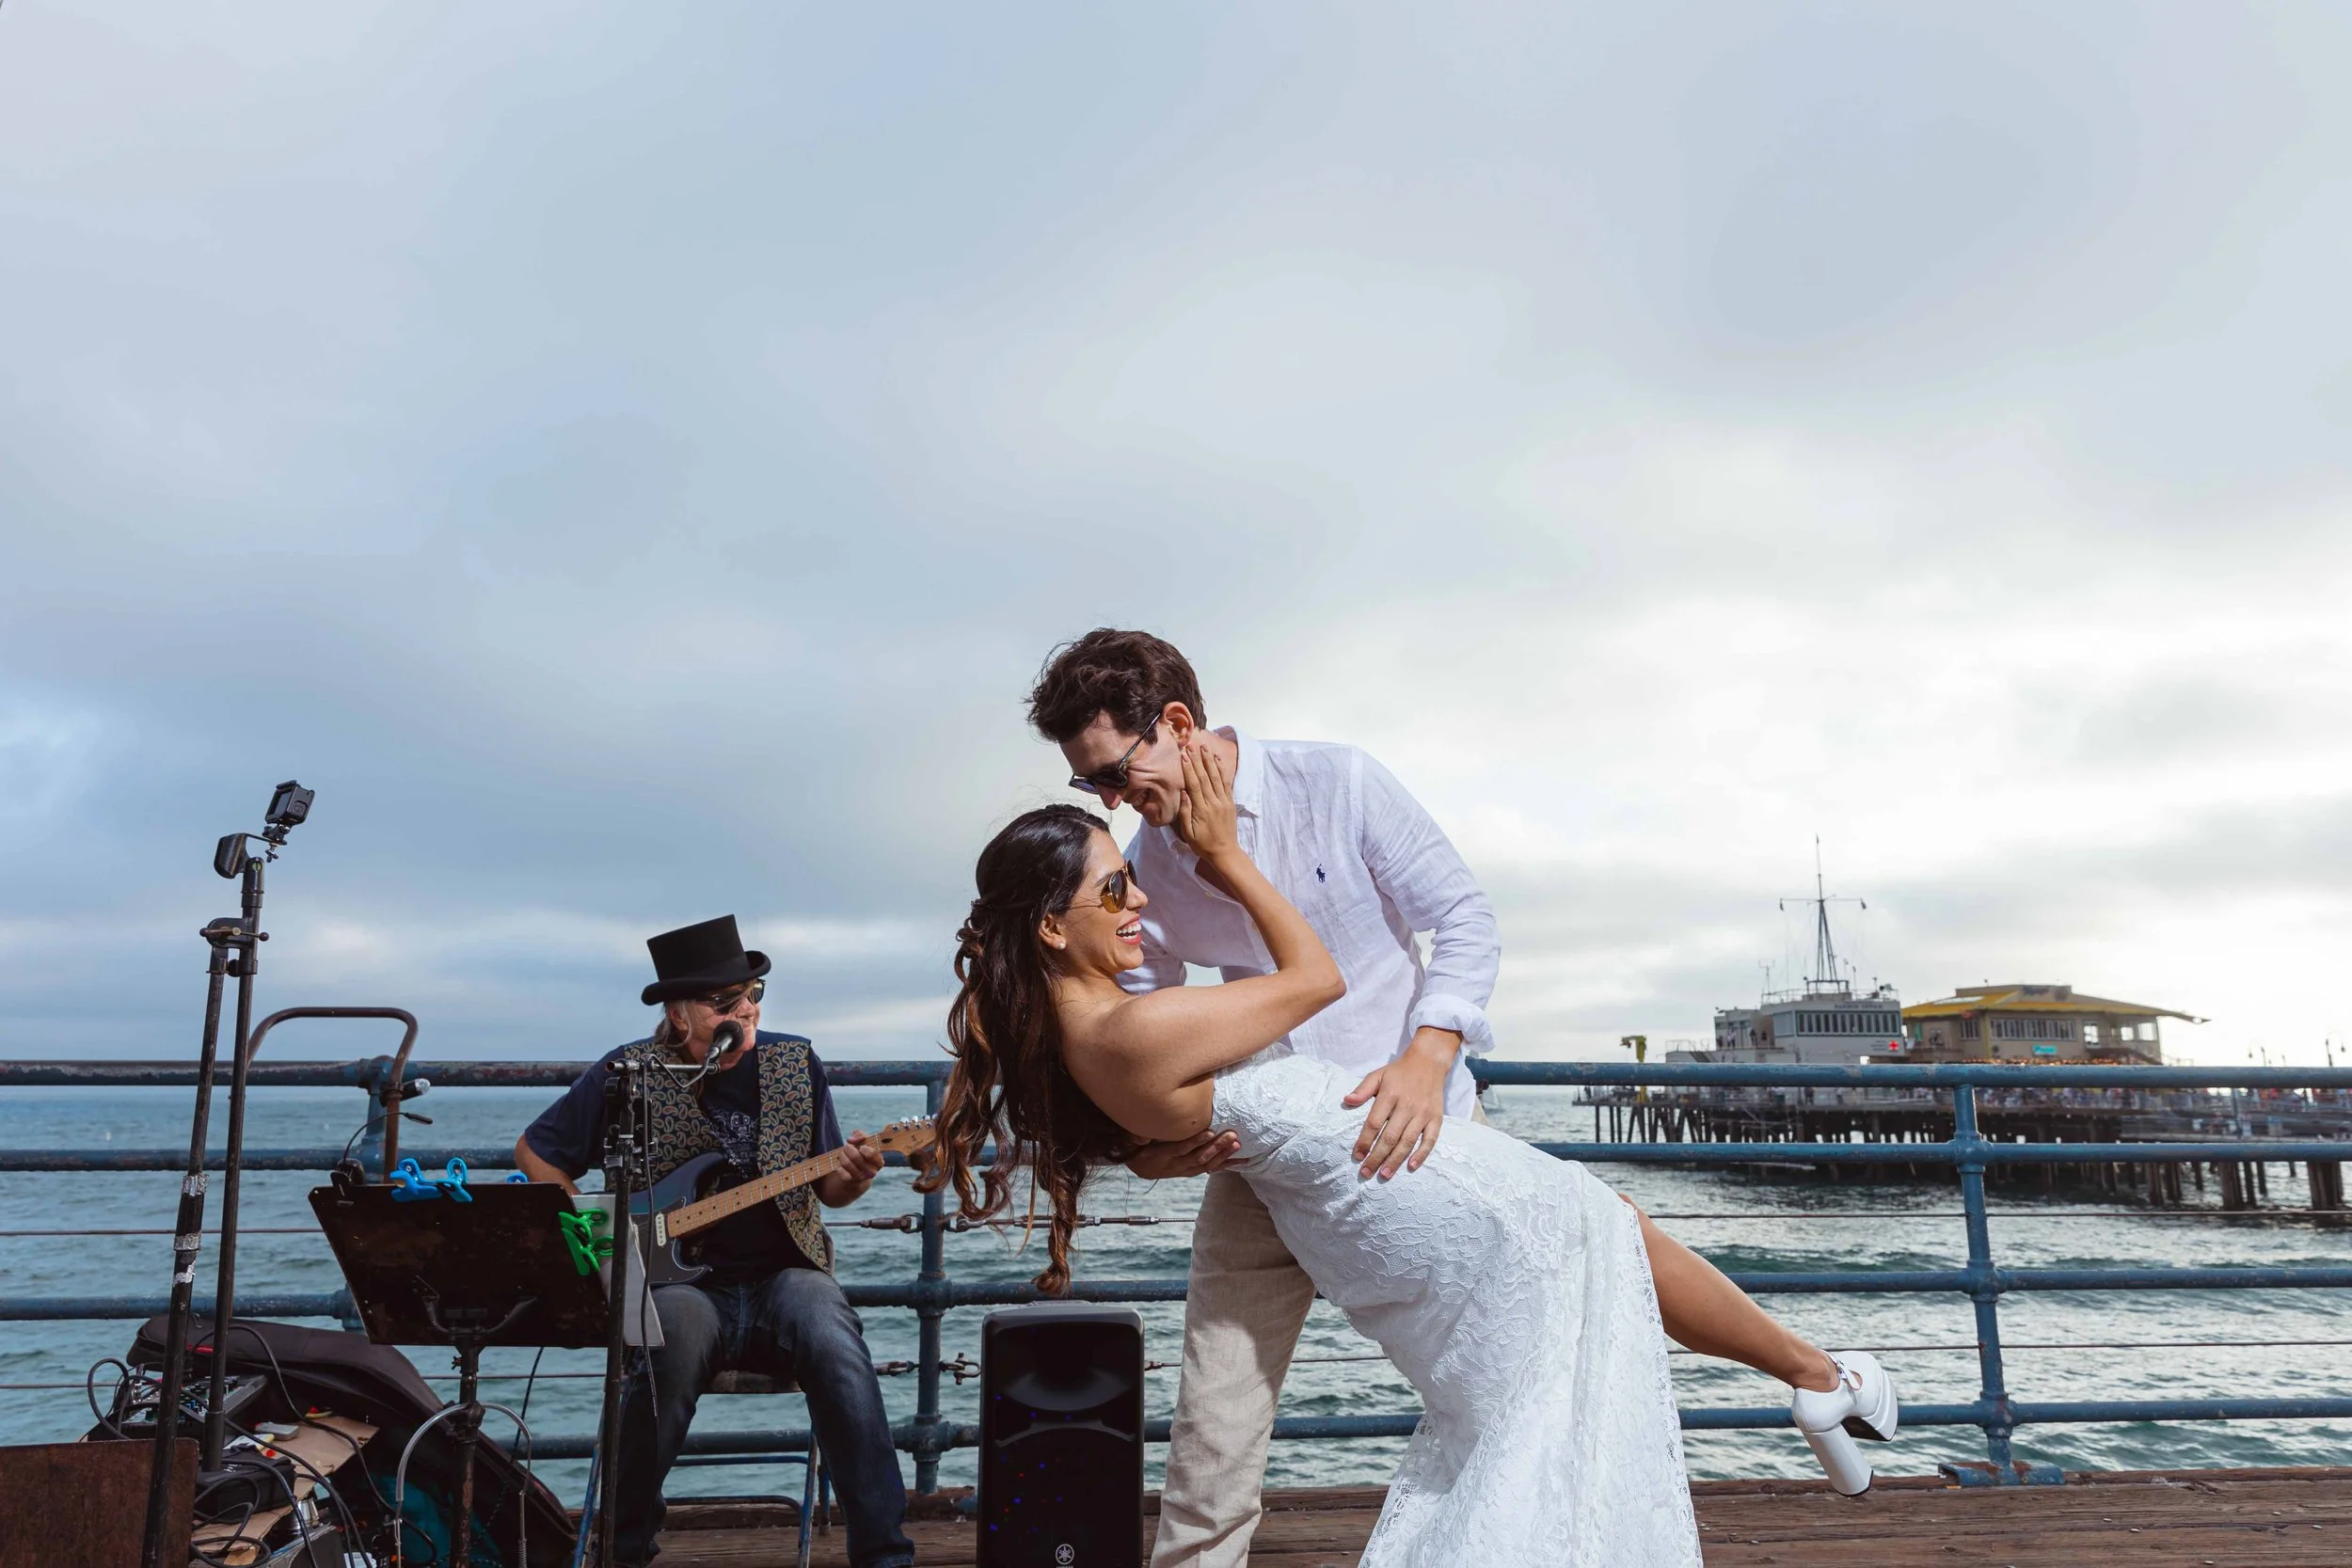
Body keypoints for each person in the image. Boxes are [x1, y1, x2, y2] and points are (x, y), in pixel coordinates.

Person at [923, 748, 1900, 1568]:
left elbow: (1150, 1116)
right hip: (1389, 1176)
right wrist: (1227, 857)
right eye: (1112, 887)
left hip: (1366, 1171)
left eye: (1128, 870)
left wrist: (1155, 1148)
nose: (1137, 895)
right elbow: (1315, 977)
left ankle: (1814, 1377)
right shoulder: (1133, 1031)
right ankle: (1816, 1378)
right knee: (1577, 1301)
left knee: (1576, 1299)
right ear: (1053, 925)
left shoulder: (1102, 1028)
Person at [1024, 626, 1502, 1565]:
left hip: (1413, 1120)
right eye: (1098, 789)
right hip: (1260, 1144)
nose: (1119, 803)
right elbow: (1141, 1012)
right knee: (1215, 1413)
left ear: (1176, 722)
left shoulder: (1341, 782)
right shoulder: (1147, 868)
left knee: (1487, 1374)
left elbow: (1462, 918)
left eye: (1120, 773)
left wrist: (1426, 1058)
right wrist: (1157, 1135)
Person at [514, 915, 914, 1568]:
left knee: (836, 1338)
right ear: (679, 1014)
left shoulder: (794, 1063)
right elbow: (537, 1150)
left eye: (753, 994)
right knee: (668, 1344)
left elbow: (830, 1190)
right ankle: (623, 1548)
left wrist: (857, 1177)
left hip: (785, 1279)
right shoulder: (628, 1075)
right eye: (726, 1002)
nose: (747, 1011)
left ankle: (886, 1556)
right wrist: (593, 1233)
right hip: (678, 1287)